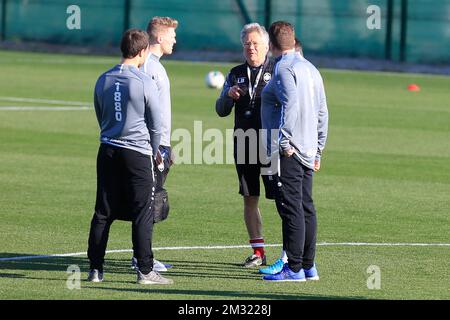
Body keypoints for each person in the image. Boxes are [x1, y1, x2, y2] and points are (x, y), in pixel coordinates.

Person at [87, 28, 173, 285]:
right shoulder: (144, 81)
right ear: (142, 51)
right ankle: (145, 271)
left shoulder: (103, 78)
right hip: (137, 154)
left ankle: (95, 270)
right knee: (142, 211)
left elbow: (100, 112)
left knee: (103, 211)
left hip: (107, 150)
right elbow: (156, 125)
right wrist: (156, 151)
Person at [260, 21, 328, 281]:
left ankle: (295, 267)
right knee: (306, 206)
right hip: (309, 147)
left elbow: (291, 104)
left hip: (292, 150)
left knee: (292, 207)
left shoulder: (283, 68)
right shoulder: (311, 68)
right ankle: (309, 266)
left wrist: (285, 142)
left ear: (272, 45)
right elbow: (323, 111)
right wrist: (319, 149)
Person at [216, 23, 276, 268]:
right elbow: (220, 110)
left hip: (273, 147)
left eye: (255, 43)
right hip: (245, 144)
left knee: (282, 199)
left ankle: (288, 255)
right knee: (250, 198)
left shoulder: (278, 70)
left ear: (266, 46)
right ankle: (258, 252)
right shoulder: (234, 73)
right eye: (247, 44)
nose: (251, 48)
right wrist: (227, 97)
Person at [130, 16, 178, 272]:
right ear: (159, 37)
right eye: (171, 36)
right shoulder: (150, 67)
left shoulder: (153, 65)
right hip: (152, 147)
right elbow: (147, 112)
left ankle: (143, 255)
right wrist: (158, 148)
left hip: (158, 144)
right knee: (149, 203)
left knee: (149, 201)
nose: (174, 40)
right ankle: (142, 259)